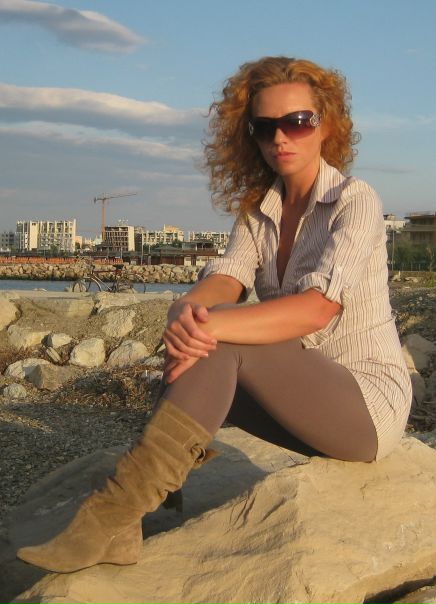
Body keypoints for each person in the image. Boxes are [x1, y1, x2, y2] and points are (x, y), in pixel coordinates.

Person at [17, 56, 412, 573]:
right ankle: (130, 520)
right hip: (299, 399)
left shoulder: (353, 200)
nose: (281, 137)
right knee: (203, 333)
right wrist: (184, 313)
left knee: (219, 338)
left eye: (297, 122)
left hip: (365, 407)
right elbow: (227, 279)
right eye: (265, 127)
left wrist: (209, 325)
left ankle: (110, 514)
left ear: (326, 125)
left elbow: (318, 309)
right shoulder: (258, 212)